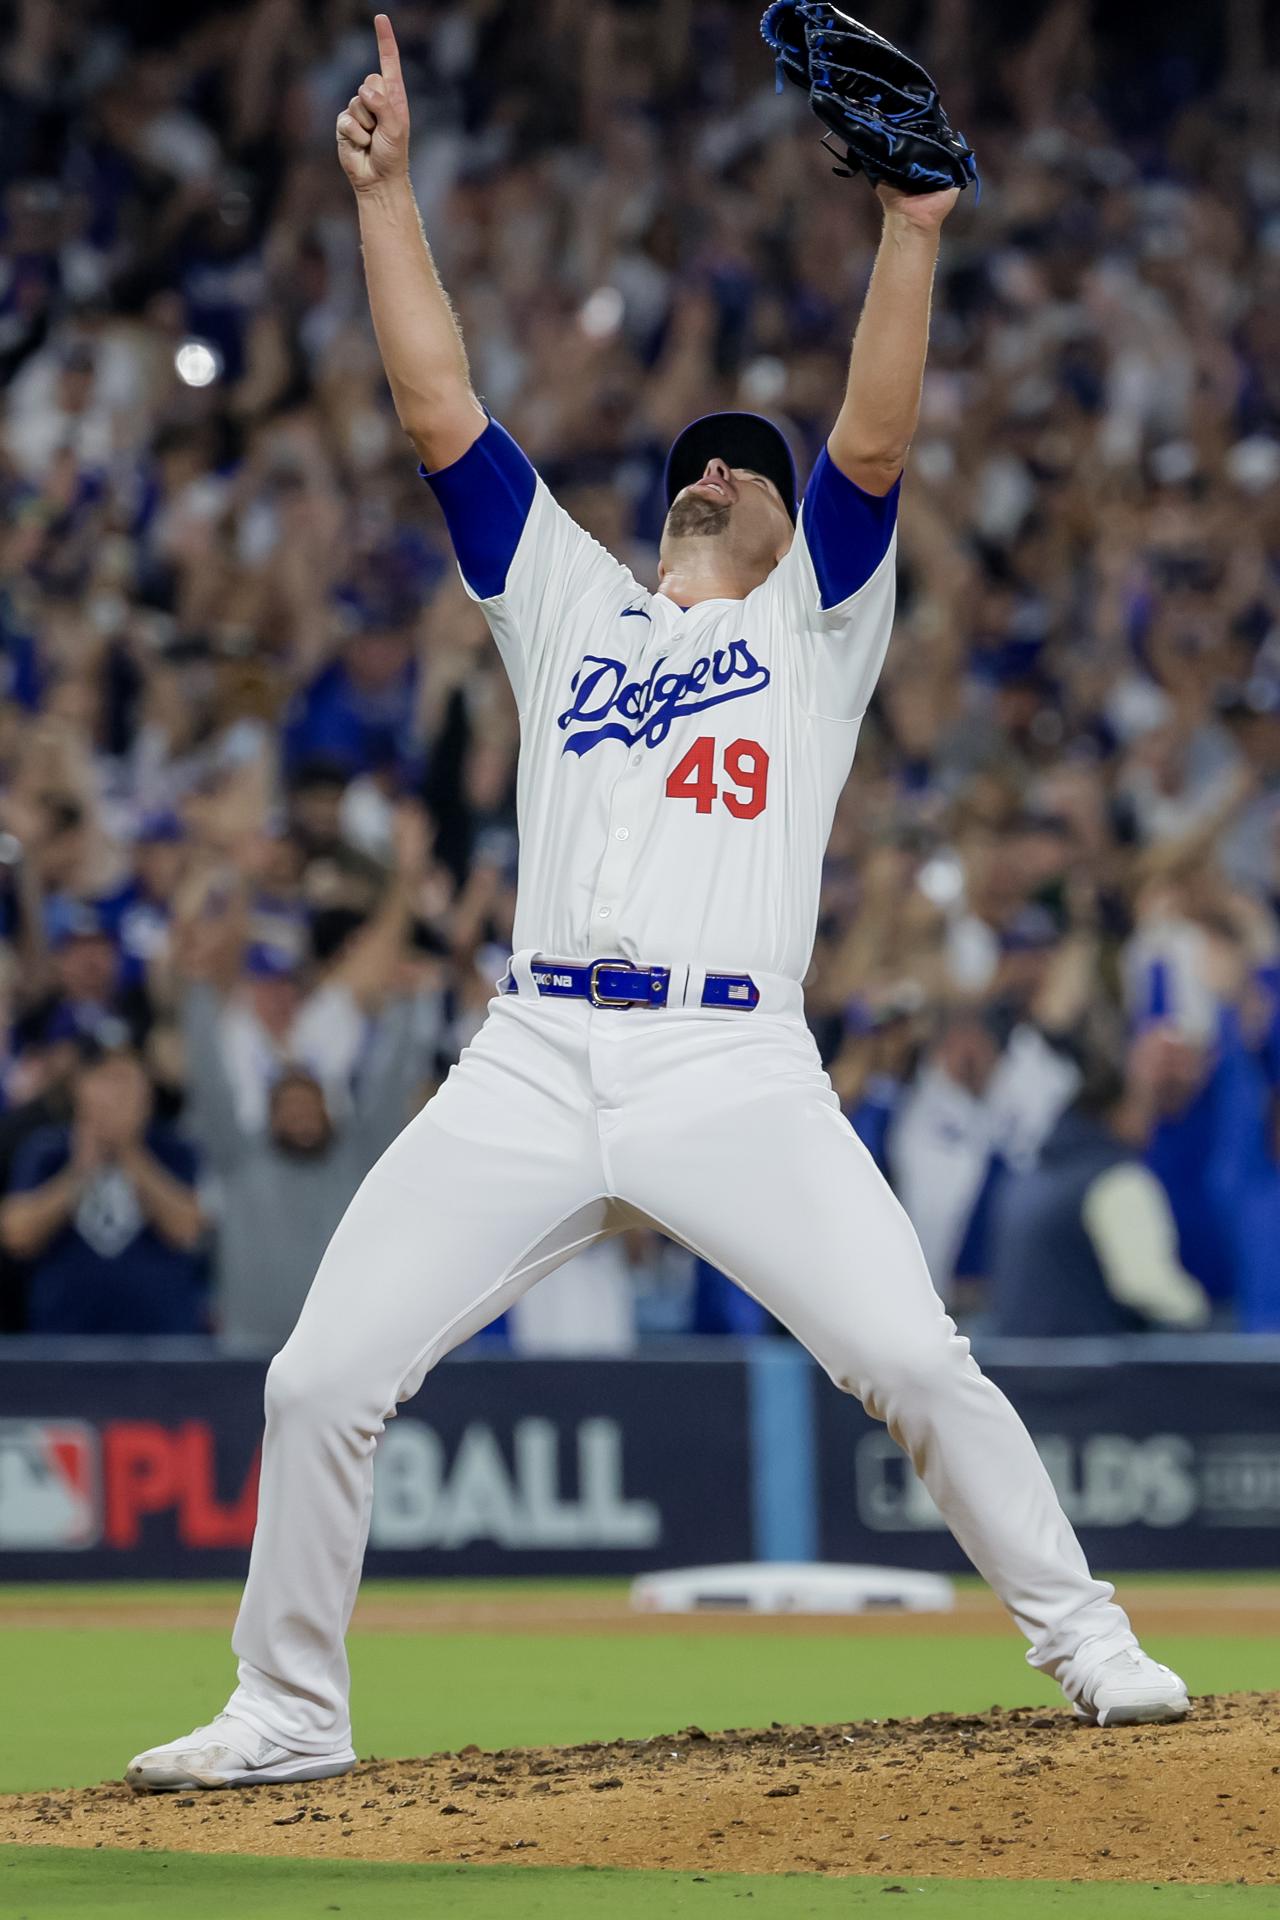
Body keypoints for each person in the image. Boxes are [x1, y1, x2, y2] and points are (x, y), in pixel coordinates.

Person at [126, 13, 1187, 1795]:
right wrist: (386, 200)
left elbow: (866, 444)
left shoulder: (807, 631)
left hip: (731, 1065)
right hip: (536, 1050)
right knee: (318, 1381)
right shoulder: (573, 608)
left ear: (779, 534)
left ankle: (1092, 1641)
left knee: (913, 1362)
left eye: (741, 471)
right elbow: (438, 408)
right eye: (701, 462)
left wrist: (909, 234)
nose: (717, 471)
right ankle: (291, 1708)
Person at [989, 1040, 1212, 1338]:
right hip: (1089, 1379)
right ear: (1117, 1112)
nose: (1151, 1124)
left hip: (1016, 1376)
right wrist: (1201, 1315)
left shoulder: (1023, 1182)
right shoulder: (1117, 1178)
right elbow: (1147, 1287)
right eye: (1141, 1107)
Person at [0, 1047, 207, 1336]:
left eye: (126, 1081)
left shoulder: (176, 1150)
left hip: (162, 1345)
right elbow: (16, 1235)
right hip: (63, 1345)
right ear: (79, 1089)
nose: (116, 1096)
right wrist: (79, 1173)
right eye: (105, 1080)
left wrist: (130, 1154)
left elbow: (188, 1230)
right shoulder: (46, 1150)